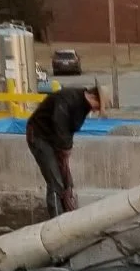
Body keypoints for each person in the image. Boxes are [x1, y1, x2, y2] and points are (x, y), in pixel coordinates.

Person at [25, 82, 102, 218]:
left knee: (68, 183)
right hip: (39, 136)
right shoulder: (67, 98)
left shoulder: (83, 107)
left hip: (54, 140)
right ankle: (57, 221)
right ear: (93, 97)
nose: (96, 110)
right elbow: (59, 123)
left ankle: (68, 214)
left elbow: (69, 129)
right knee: (56, 182)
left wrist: (66, 148)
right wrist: (65, 148)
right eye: (98, 106)